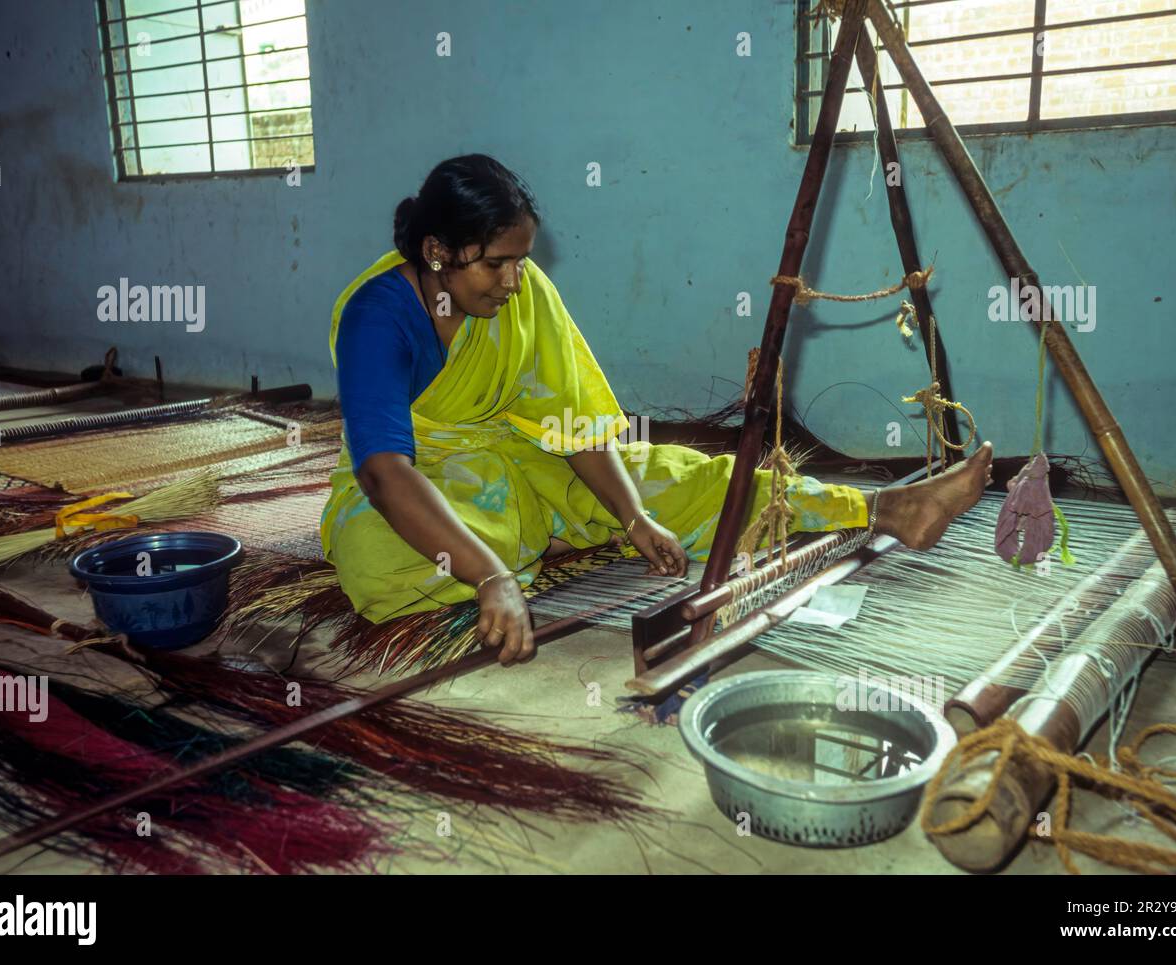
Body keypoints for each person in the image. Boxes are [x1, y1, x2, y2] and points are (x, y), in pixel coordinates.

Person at [323, 154, 992, 667]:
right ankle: (532, 543)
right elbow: (384, 471)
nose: (514, 282)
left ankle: (886, 510)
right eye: (496, 265)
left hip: (521, 460)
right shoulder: (378, 316)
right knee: (376, 558)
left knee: (683, 478)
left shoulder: (523, 296)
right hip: (432, 481)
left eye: (522, 263)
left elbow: (575, 426)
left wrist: (633, 515)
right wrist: (490, 576)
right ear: (437, 251)